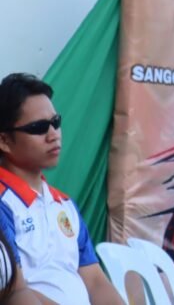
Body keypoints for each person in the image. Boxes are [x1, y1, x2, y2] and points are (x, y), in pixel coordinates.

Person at [0, 74, 124, 305]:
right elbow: (14, 292)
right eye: (38, 127)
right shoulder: (3, 203)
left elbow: (95, 281)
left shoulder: (64, 204)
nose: (53, 134)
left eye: (55, 122)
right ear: (4, 141)